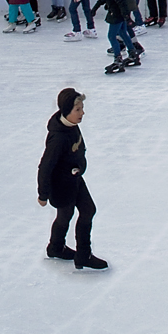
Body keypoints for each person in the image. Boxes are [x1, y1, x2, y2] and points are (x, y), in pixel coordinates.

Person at [37, 87, 107, 270]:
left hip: (74, 179)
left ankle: (78, 253)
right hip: (61, 185)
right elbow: (45, 166)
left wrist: (80, 168)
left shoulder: (72, 127)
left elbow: (79, 152)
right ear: (66, 111)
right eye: (78, 110)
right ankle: (57, 248)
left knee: (87, 210)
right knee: (66, 215)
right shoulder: (58, 138)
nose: (82, 113)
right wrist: (43, 194)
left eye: (82, 108)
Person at [95, 0, 141, 73]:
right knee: (123, 32)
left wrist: (126, 15)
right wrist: (97, 6)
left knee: (112, 36)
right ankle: (133, 53)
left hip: (116, 14)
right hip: (119, 13)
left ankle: (118, 60)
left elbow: (120, 1)